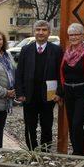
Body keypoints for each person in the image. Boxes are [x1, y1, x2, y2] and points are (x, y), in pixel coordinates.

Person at [15, 20, 63, 150]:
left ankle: (45, 152)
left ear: (49, 32)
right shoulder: (26, 49)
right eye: (38, 30)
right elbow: (19, 73)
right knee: (30, 126)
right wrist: (20, 93)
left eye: (44, 30)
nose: (40, 32)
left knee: (47, 126)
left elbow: (61, 74)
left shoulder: (57, 50)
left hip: (49, 96)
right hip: (29, 96)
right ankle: (32, 151)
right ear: (34, 32)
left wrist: (59, 93)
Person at [59, 23, 84, 156]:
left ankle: (79, 153)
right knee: (71, 124)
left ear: (82, 35)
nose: (74, 37)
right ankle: (77, 150)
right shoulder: (66, 53)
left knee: (77, 123)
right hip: (69, 92)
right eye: (71, 35)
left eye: (77, 34)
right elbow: (62, 74)